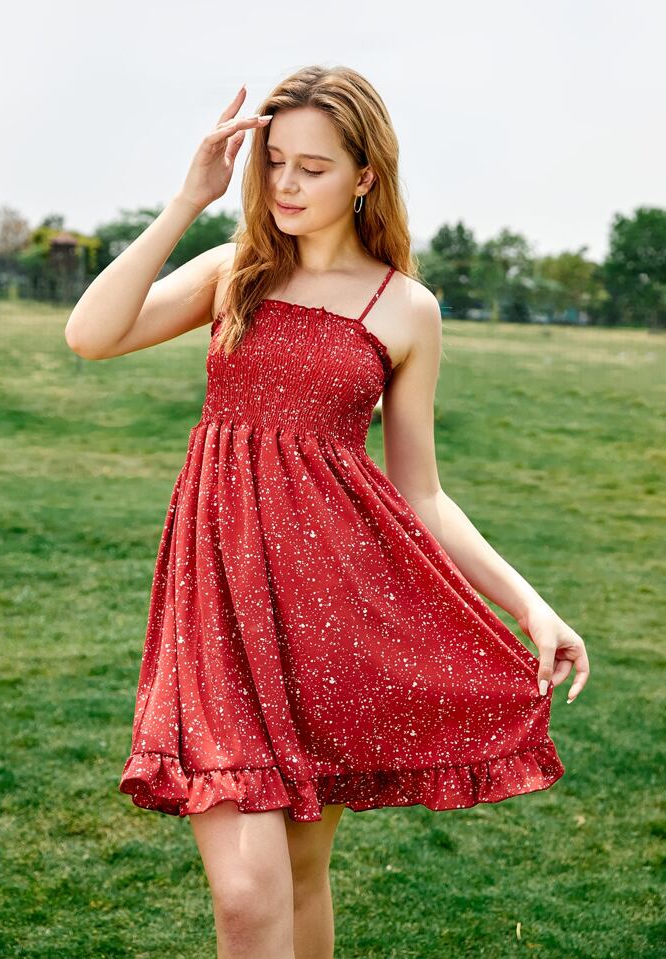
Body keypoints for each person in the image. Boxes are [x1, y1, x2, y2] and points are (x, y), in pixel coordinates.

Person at [65, 65, 589, 959]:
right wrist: (188, 201)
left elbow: (421, 491)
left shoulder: (406, 308)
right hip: (218, 604)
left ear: (364, 177)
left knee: (304, 873)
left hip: (327, 613)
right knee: (246, 894)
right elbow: (91, 333)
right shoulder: (235, 272)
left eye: (313, 167)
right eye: (274, 161)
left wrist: (529, 603)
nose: (287, 184)